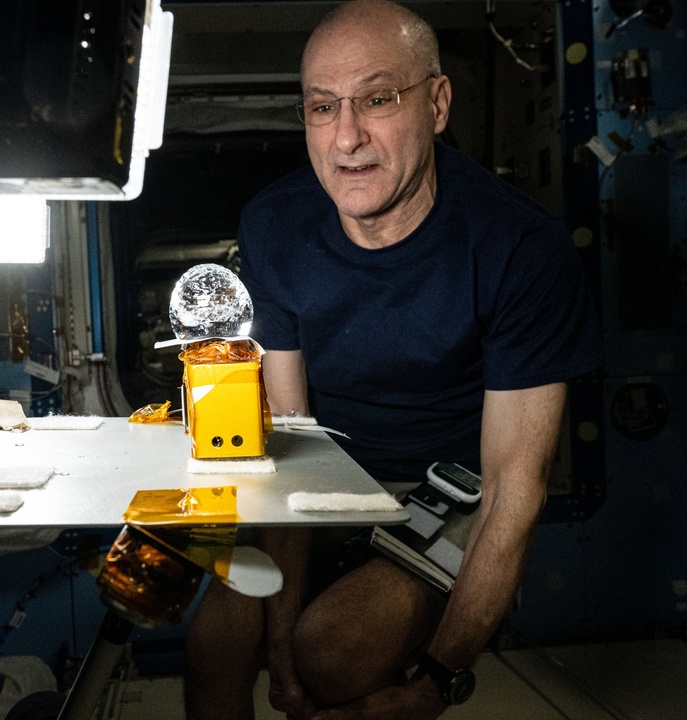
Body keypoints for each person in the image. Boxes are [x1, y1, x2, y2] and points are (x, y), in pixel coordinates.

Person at [183, 1, 600, 719]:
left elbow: (512, 487)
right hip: (326, 473)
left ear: (436, 104)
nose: (347, 138)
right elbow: (291, 430)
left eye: (377, 99)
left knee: (333, 652)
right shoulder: (274, 226)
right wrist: (275, 645)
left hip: (454, 486)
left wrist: (435, 684)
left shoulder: (520, 249)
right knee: (216, 642)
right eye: (322, 108)